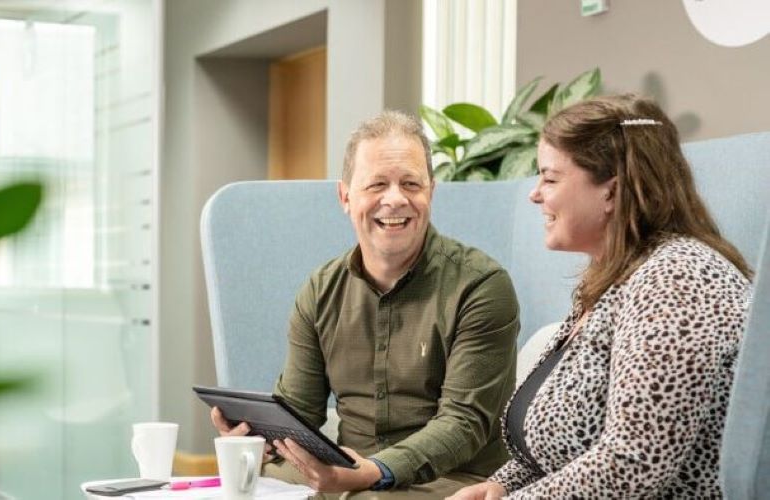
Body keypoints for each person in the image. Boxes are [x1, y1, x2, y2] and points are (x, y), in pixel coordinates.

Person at [448, 94, 754, 500]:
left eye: (550, 178)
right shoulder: (613, 279)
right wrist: (500, 485)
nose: (534, 194)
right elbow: (565, 445)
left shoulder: (678, 281)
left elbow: (634, 464)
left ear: (612, 191)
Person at [212, 110, 520, 498]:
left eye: (411, 183)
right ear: (345, 196)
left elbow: (463, 425)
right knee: (238, 490)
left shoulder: (480, 286)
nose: (395, 199)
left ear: (431, 193)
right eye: (377, 184)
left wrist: (373, 471)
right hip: (343, 474)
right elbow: (299, 413)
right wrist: (258, 434)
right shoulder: (321, 291)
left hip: (451, 481)